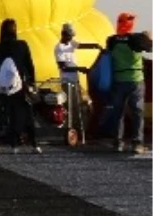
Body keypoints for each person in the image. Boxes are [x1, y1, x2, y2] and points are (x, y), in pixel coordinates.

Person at [104, 12, 151, 154]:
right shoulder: (136, 39)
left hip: (118, 80)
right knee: (137, 112)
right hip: (135, 80)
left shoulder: (111, 40)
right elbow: (150, 48)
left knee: (118, 112)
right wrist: (148, 36)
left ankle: (117, 142)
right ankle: (137, 143)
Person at [0, 18, 39, 153]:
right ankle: (33, 142)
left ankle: (14, 144)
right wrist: (32, 82)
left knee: (9, 115)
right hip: (20, 86)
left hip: (4, 88)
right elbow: (29, 65)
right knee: (26, 113)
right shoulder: (22, 45)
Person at [54, 22, 98, 143]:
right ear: (63, 34)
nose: (71, 38)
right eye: (69, 36)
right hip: (67, 82)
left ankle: (79, 133)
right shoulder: (59, 48)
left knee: (79, 108)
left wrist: (95, 46)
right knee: (71, 108)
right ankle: (70, 132)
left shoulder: (71, 43)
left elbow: (80, 45)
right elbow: (63, 67)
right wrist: (80, 69)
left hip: (75, 81)